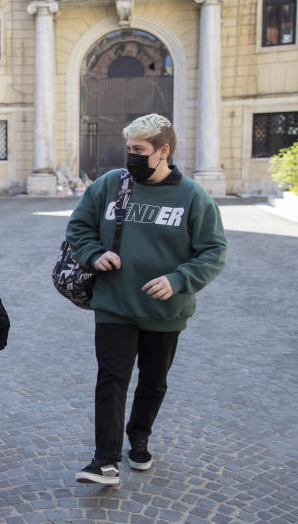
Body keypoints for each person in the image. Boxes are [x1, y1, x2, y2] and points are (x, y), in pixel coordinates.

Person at [65, 113, 226, 486]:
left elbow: (213, 251)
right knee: (111, 379)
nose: (131, 157)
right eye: (129, 149)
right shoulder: (110, 185)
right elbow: (79, 226)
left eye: (139, 150)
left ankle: (139, 438)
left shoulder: (192, 196)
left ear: (163, 151)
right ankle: (104, 460)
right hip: (114, 304)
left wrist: (179, 279)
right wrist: (93, 254)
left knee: (153, 381)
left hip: (165, 310)